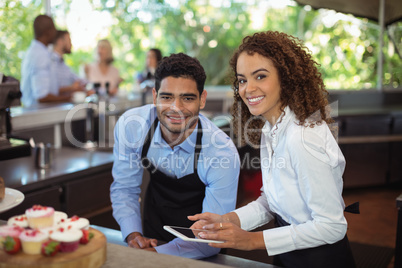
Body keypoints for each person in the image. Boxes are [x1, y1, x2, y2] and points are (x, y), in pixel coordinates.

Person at [189, 31, 356, 268]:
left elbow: (332, 227)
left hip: (319, 259)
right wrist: (228, 220)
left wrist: (252, 241)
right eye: (242, 80)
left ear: (286, 78)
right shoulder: (271, 129)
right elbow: (273, 202)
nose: (247, 89)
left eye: (260, 76)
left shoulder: (302, 137)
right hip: (288, 252)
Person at [110, 53, 240, 259]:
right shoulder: (132, 126)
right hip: (152, 232)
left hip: (202, 249)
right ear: (154, 96)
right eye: (166, 97)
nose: (176, 108)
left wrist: (157, 253)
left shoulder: (221, 152)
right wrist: (133, 235)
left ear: (202, 99)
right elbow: (125, 188)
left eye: (187, 98)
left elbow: (213, 235)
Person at [21, 14, 61, 107]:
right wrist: (70, 98)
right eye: (54, 28)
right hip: (38, 115)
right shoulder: (40, 55)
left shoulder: (36, 51)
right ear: (48, 32)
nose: (56, 32)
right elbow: (42, 97)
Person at [51, 30, 86, 98]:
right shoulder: (50, 62)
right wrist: (71, 88)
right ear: (60, 41)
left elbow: (79, 80)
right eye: (69, 40)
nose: (71, 45)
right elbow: (49, 90)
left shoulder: (64, 66)